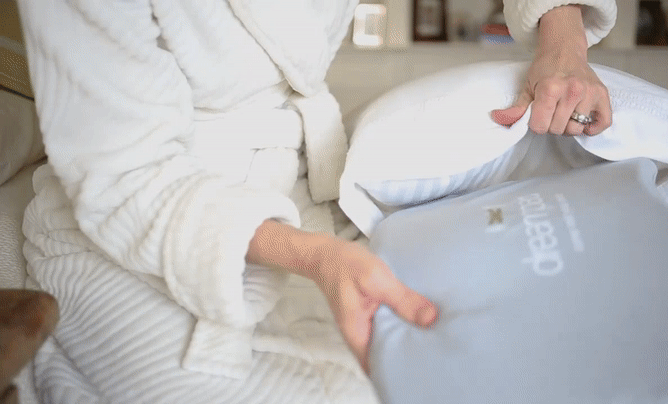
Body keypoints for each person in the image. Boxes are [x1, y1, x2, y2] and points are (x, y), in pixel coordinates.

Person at [18, 0, 617, 402]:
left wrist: (563, 44)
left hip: (297, 177)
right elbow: (122, 171)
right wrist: (315, 257)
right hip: (143, 217)